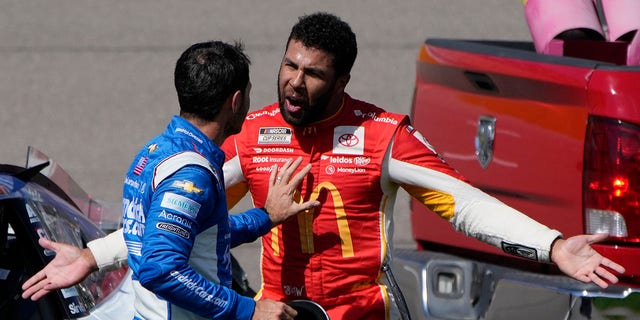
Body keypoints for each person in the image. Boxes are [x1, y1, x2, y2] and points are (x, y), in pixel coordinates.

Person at [23, 13, 625, 320]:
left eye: (312, 73)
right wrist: (96, 255)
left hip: (361, 312)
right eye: (288, 65)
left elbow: (462, 204)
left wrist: (552, 247)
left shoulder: (382, 134)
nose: (293, 82)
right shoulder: (254, 132)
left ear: (342, 80)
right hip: (278, 312)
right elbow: (179, 225)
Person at [23, 40, 321, 320]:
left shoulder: (155, 151)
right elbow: (161, 269)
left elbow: (182, 235)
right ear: (236, 101)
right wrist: (247, 310)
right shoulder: (191, 173)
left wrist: (264, 218)